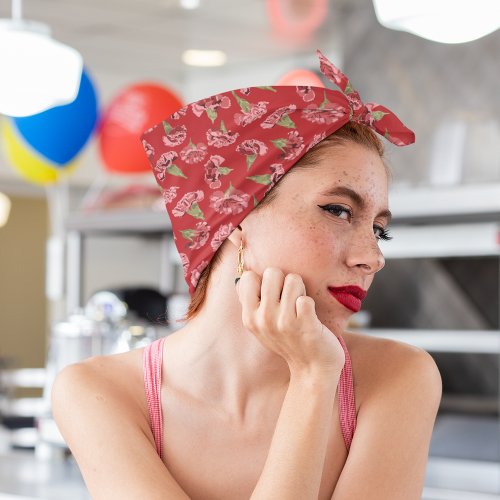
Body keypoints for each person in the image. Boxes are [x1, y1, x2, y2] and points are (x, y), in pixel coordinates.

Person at [52, 50, 442, 499]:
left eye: (379, 231)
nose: (373, 257)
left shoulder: (399, 378)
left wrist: (314, 377)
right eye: (338, 210)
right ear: (234, 216)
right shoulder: (98, 392)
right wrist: (312, 378)